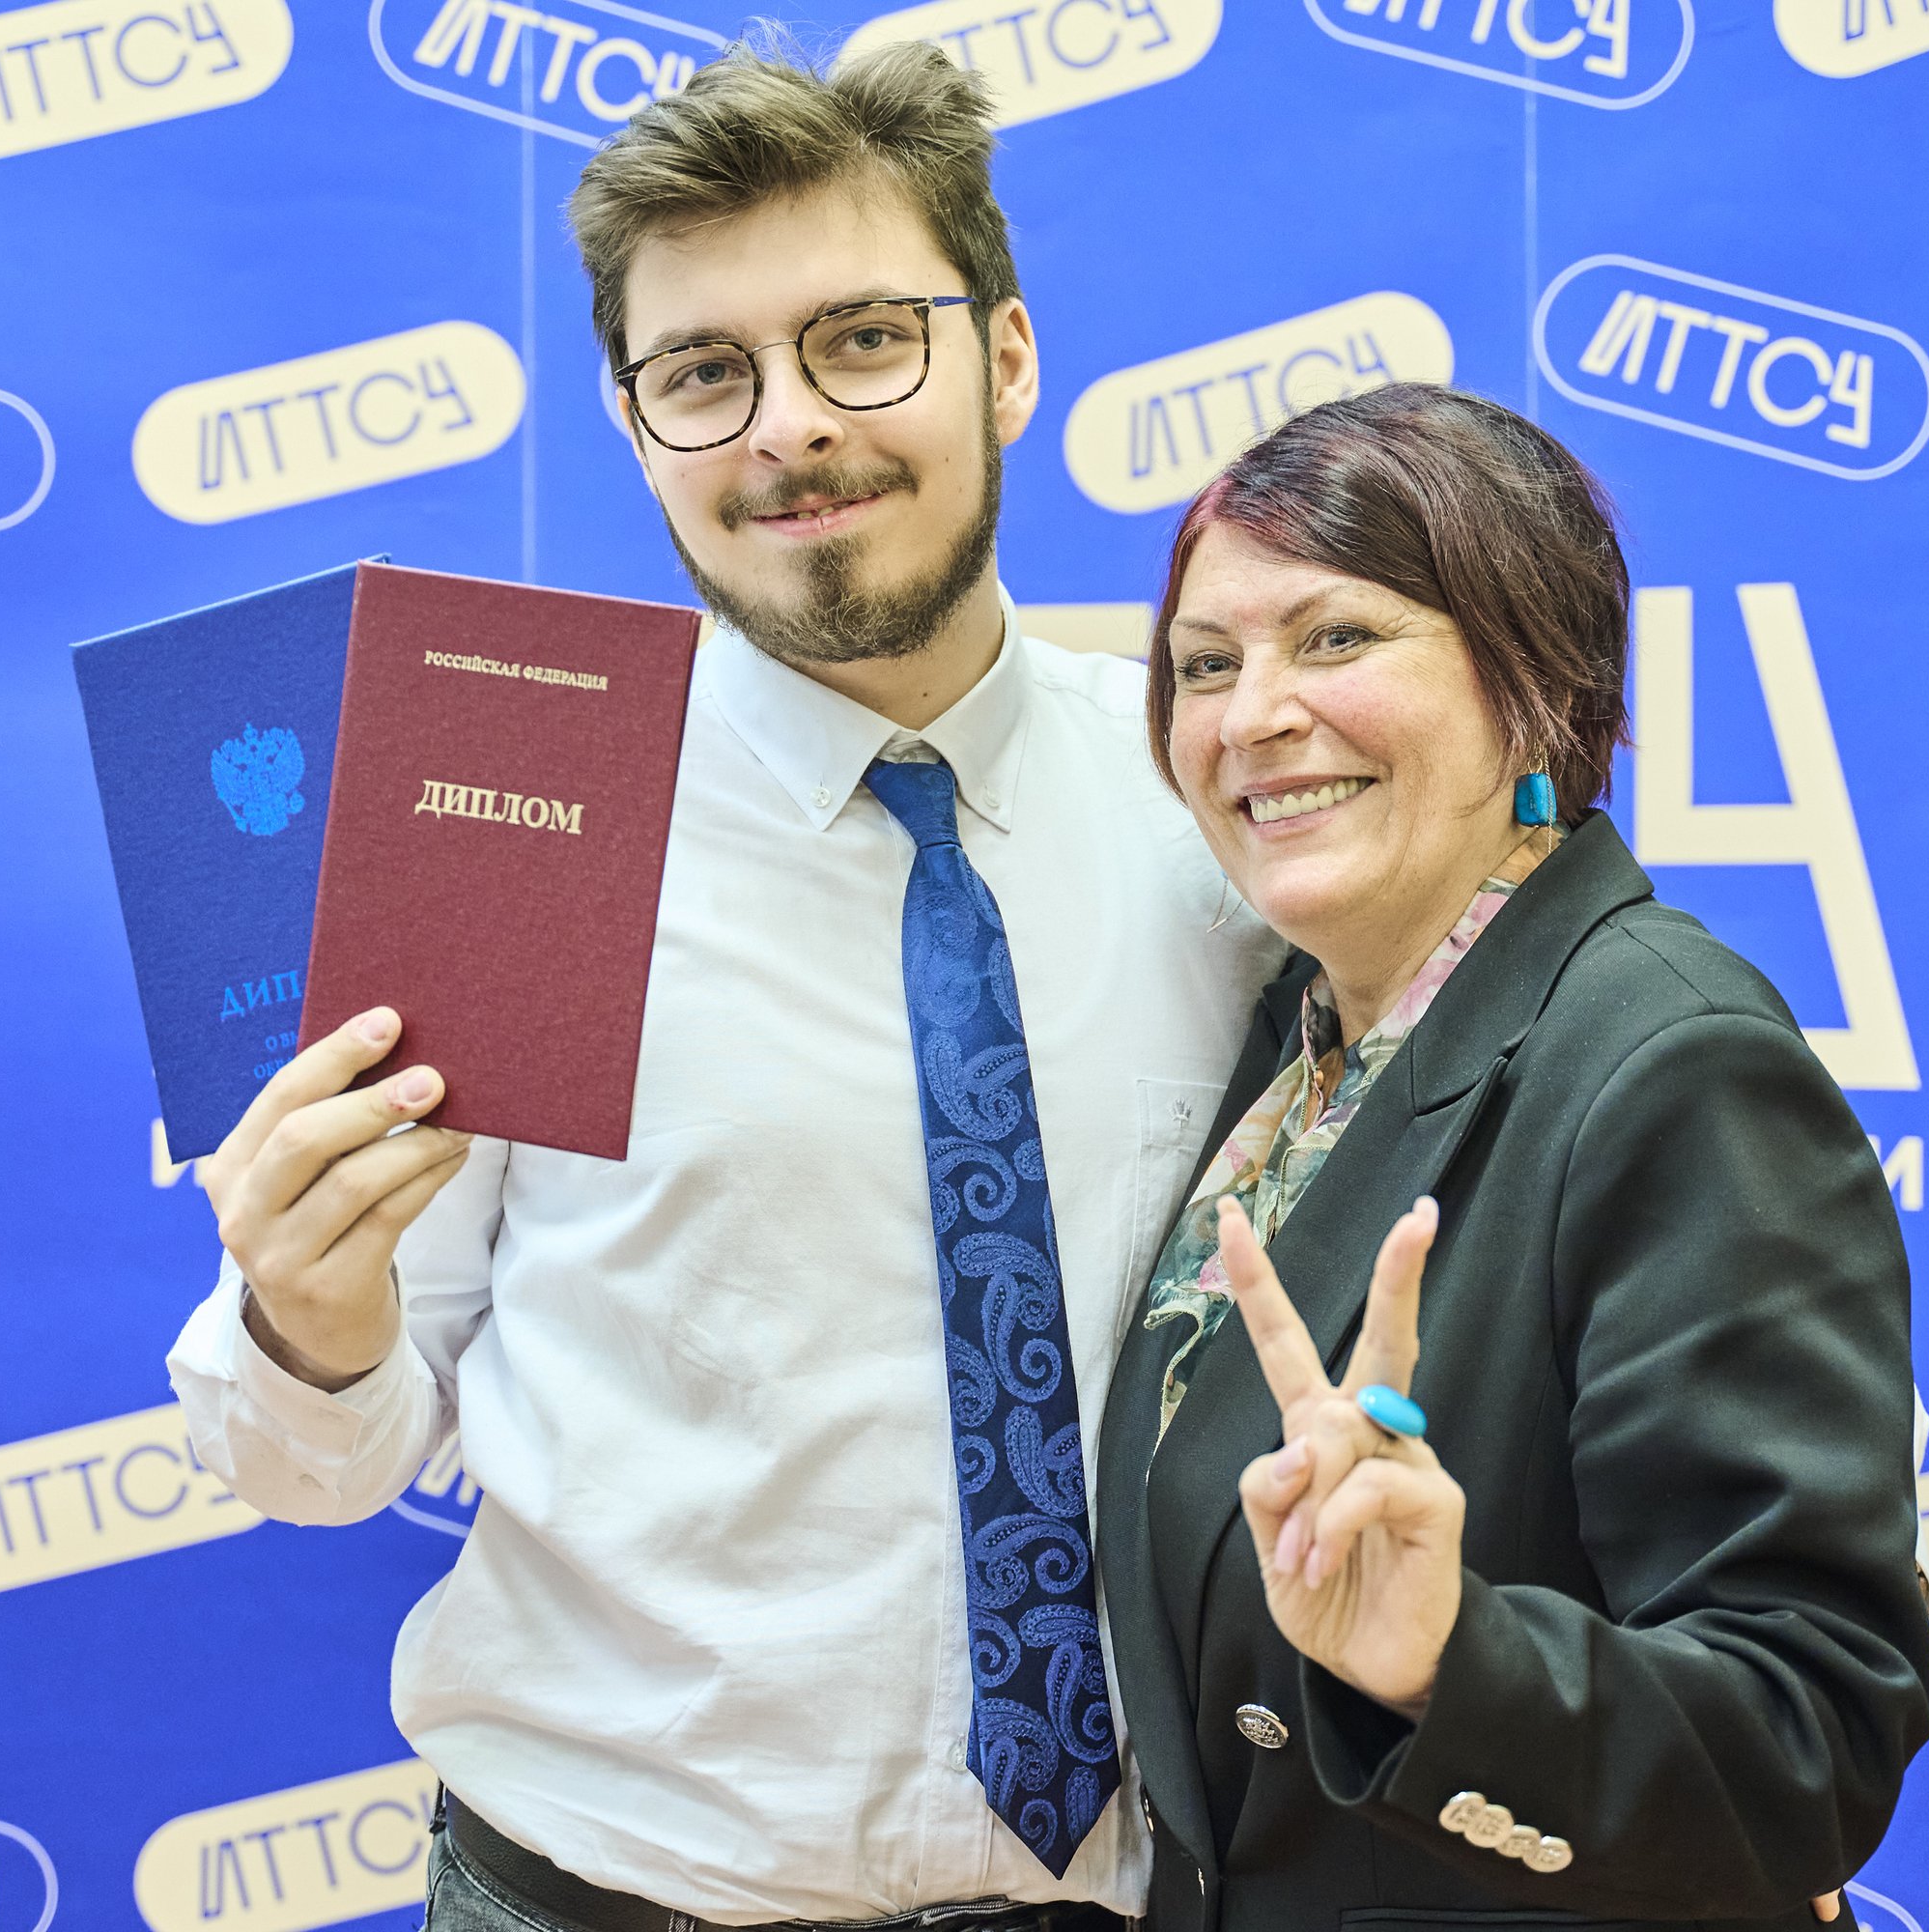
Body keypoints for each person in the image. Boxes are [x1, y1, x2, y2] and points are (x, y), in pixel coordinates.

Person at [165, 43, 1285, 1932]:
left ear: (1009, 357)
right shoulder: (508, 825)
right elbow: (315, 1467)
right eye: (705, 373)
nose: (791, 428)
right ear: (635, 425)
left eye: (866, 340)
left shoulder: (1215, 816)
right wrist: (311, 1316)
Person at [1092, 384, 1929, 1932]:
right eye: (1204, 664)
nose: (1250, 714)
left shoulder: (1672, 1060)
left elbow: (1811, 1732)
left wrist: (1448, 1662)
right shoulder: (1292, 1039)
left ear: (1532, 676)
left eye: (1336, 638)